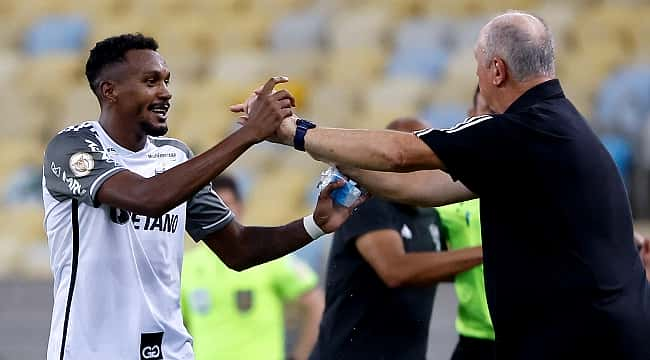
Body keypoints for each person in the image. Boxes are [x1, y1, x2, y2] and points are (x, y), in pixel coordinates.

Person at [233, 10, 650, 360]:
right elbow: (423, 187)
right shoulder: (552, 126)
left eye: (477, 65)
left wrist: (294, 133)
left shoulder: (520, 129)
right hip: (596, 330)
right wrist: (339, 159)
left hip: (581, 339)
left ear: (496, 70)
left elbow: (400, 154)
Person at [42, 33, 360, 360]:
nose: (165, 93)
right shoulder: (72, 148)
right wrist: (249, 134)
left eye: (167, 81)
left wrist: (315, 223)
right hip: (90, 352)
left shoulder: (175, 158)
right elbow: (148, 197)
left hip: (170, 352)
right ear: (110, 91)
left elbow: (239, 249)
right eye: (151, 81)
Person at [309, 118, 483, 360]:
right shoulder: (366, 203)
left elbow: (444, 266)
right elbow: (395, 270)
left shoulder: (429, 212)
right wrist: (486, 252)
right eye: (420, 152)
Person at [181, 174, 325, 360]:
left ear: (241, 207)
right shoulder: (187, 265)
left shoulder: (267, 256)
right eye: (215, 206)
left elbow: (316, 303)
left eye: (228, 204)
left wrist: (301, 356)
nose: (221, 212)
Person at [437, 87, 495, 360]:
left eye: (499, 114)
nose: (493, 121)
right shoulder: (444, 193)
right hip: (476, 339)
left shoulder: (544, 179)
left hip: (537, 335)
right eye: (487, 111)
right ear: (471, 116)